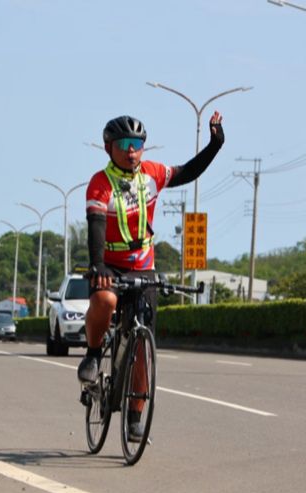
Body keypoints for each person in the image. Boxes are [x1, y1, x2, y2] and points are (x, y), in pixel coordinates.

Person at [78, 112, 225, 439]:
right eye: (123, 144)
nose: (131, 151)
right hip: (109, 265)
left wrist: (215, 145)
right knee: (104, 300)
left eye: (137, 144)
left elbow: (188, 171)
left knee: (143, 346)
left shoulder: (153, 174)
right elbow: (95, 226)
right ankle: (92, 354)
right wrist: (98, 265)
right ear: (109, 148)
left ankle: (135, 416)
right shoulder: (100, 183)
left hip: (143, 266)